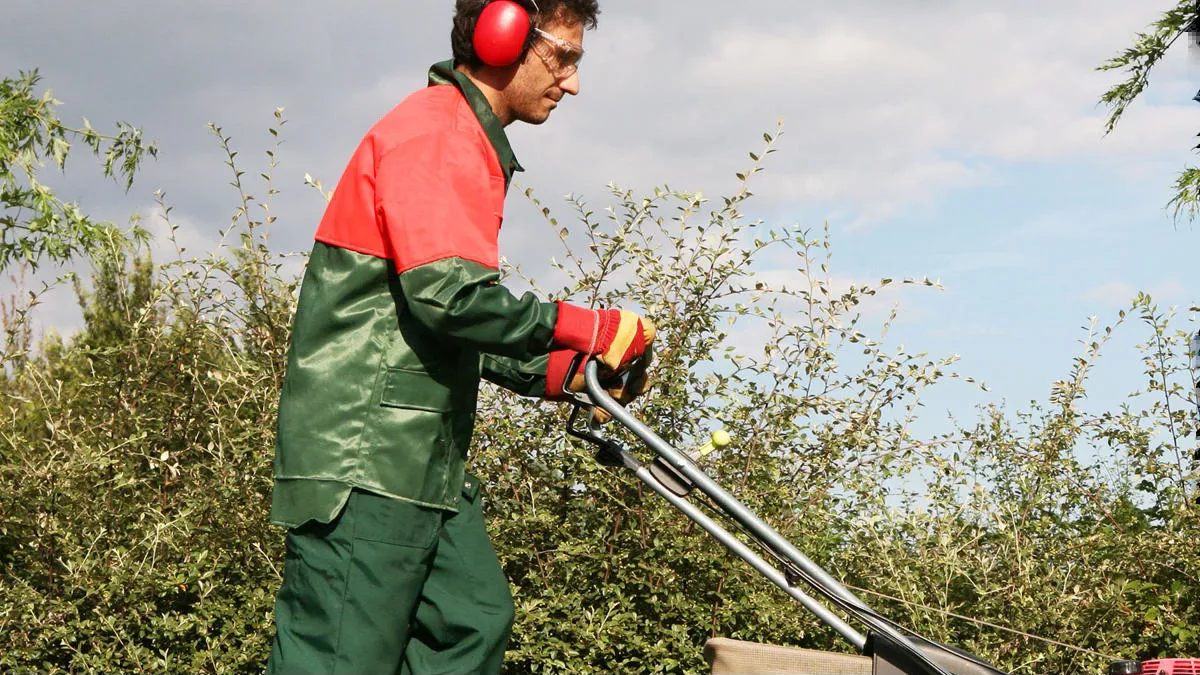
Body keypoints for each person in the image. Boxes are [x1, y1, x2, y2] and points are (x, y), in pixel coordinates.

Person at [266, 1, 655, 673]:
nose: (572, 81)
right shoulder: (437, 135)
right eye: (560, 56)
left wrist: (565, 373)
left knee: (471, 621)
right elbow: (450, 298)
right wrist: (589, 326)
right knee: (339, 660)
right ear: (501, 35)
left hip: (420, 458)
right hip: (366, 458)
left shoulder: (465, 140)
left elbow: (439, 324)